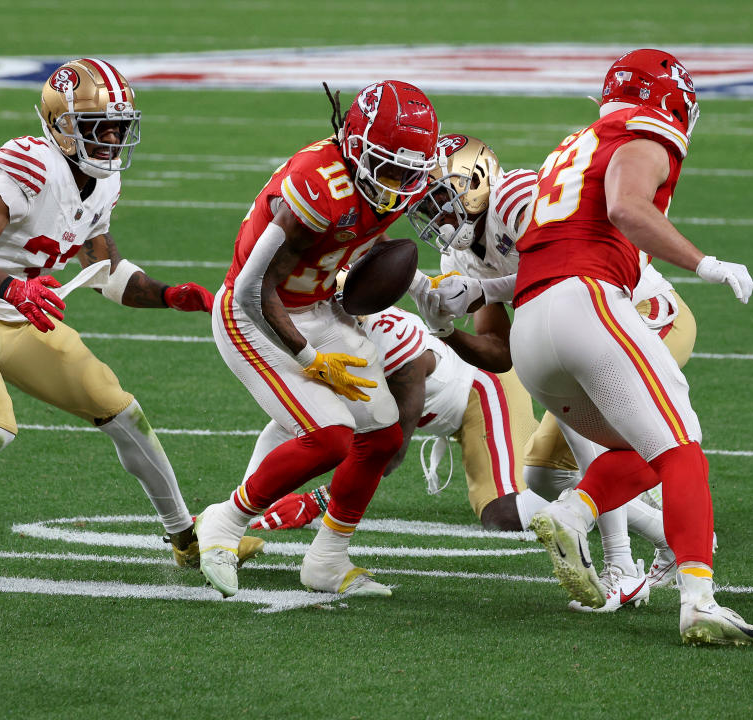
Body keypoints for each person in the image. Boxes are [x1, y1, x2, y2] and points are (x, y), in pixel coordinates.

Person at [0, 58, 262, 586]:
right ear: (61, 126)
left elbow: (106, 271)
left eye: (119, 127)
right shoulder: (30, 163)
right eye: (98, 127)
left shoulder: (102, 183)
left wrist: (170, 295)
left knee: (124, 414)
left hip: (26, 318)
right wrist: (12, 287)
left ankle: (186, 539)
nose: (111, 139)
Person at [425, 51, 753, 644]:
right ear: (671, 101)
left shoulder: (570, 147)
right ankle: (697, 600)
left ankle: (577, 521)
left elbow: (541, 260)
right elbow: (626, 208)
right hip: (590, 302)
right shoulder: (640, 130)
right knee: (682, 448)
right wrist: (705, 263)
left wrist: (477, 290)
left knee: (633, 451)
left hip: (541, 323)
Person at [409, 135, 694, 612]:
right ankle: (668, 533)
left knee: (581, 402)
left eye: (440, 198)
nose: (434, 214)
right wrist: (444, 330)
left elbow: (563, 269)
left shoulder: (519, 196)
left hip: (642, 313)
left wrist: (478, 293)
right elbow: (499, 351)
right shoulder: (459, 253)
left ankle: (622, 566)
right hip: (582, 327)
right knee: (542, 473)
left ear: (476, 181)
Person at [194, 81, 440, 598]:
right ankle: (225, 521)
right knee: (330, 436)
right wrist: (308, 357)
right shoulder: (318, 184)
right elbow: (249, 287)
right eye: (388, 167)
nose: (396, 184)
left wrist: (426, 287)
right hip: (256, 315)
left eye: (408, 172)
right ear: (354, 144)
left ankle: (327, 559)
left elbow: (366, 251)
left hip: (319, 303)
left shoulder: (401, 180)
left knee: (383, 435)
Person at [248, 303, 547, 533]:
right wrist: (244, 507)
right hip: (442, 404)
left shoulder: (400, 351)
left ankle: (577, 480)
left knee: (505, 517)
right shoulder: (335, 327)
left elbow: (387, 454)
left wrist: (317, 501)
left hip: (482, 391)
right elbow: (290, 423)